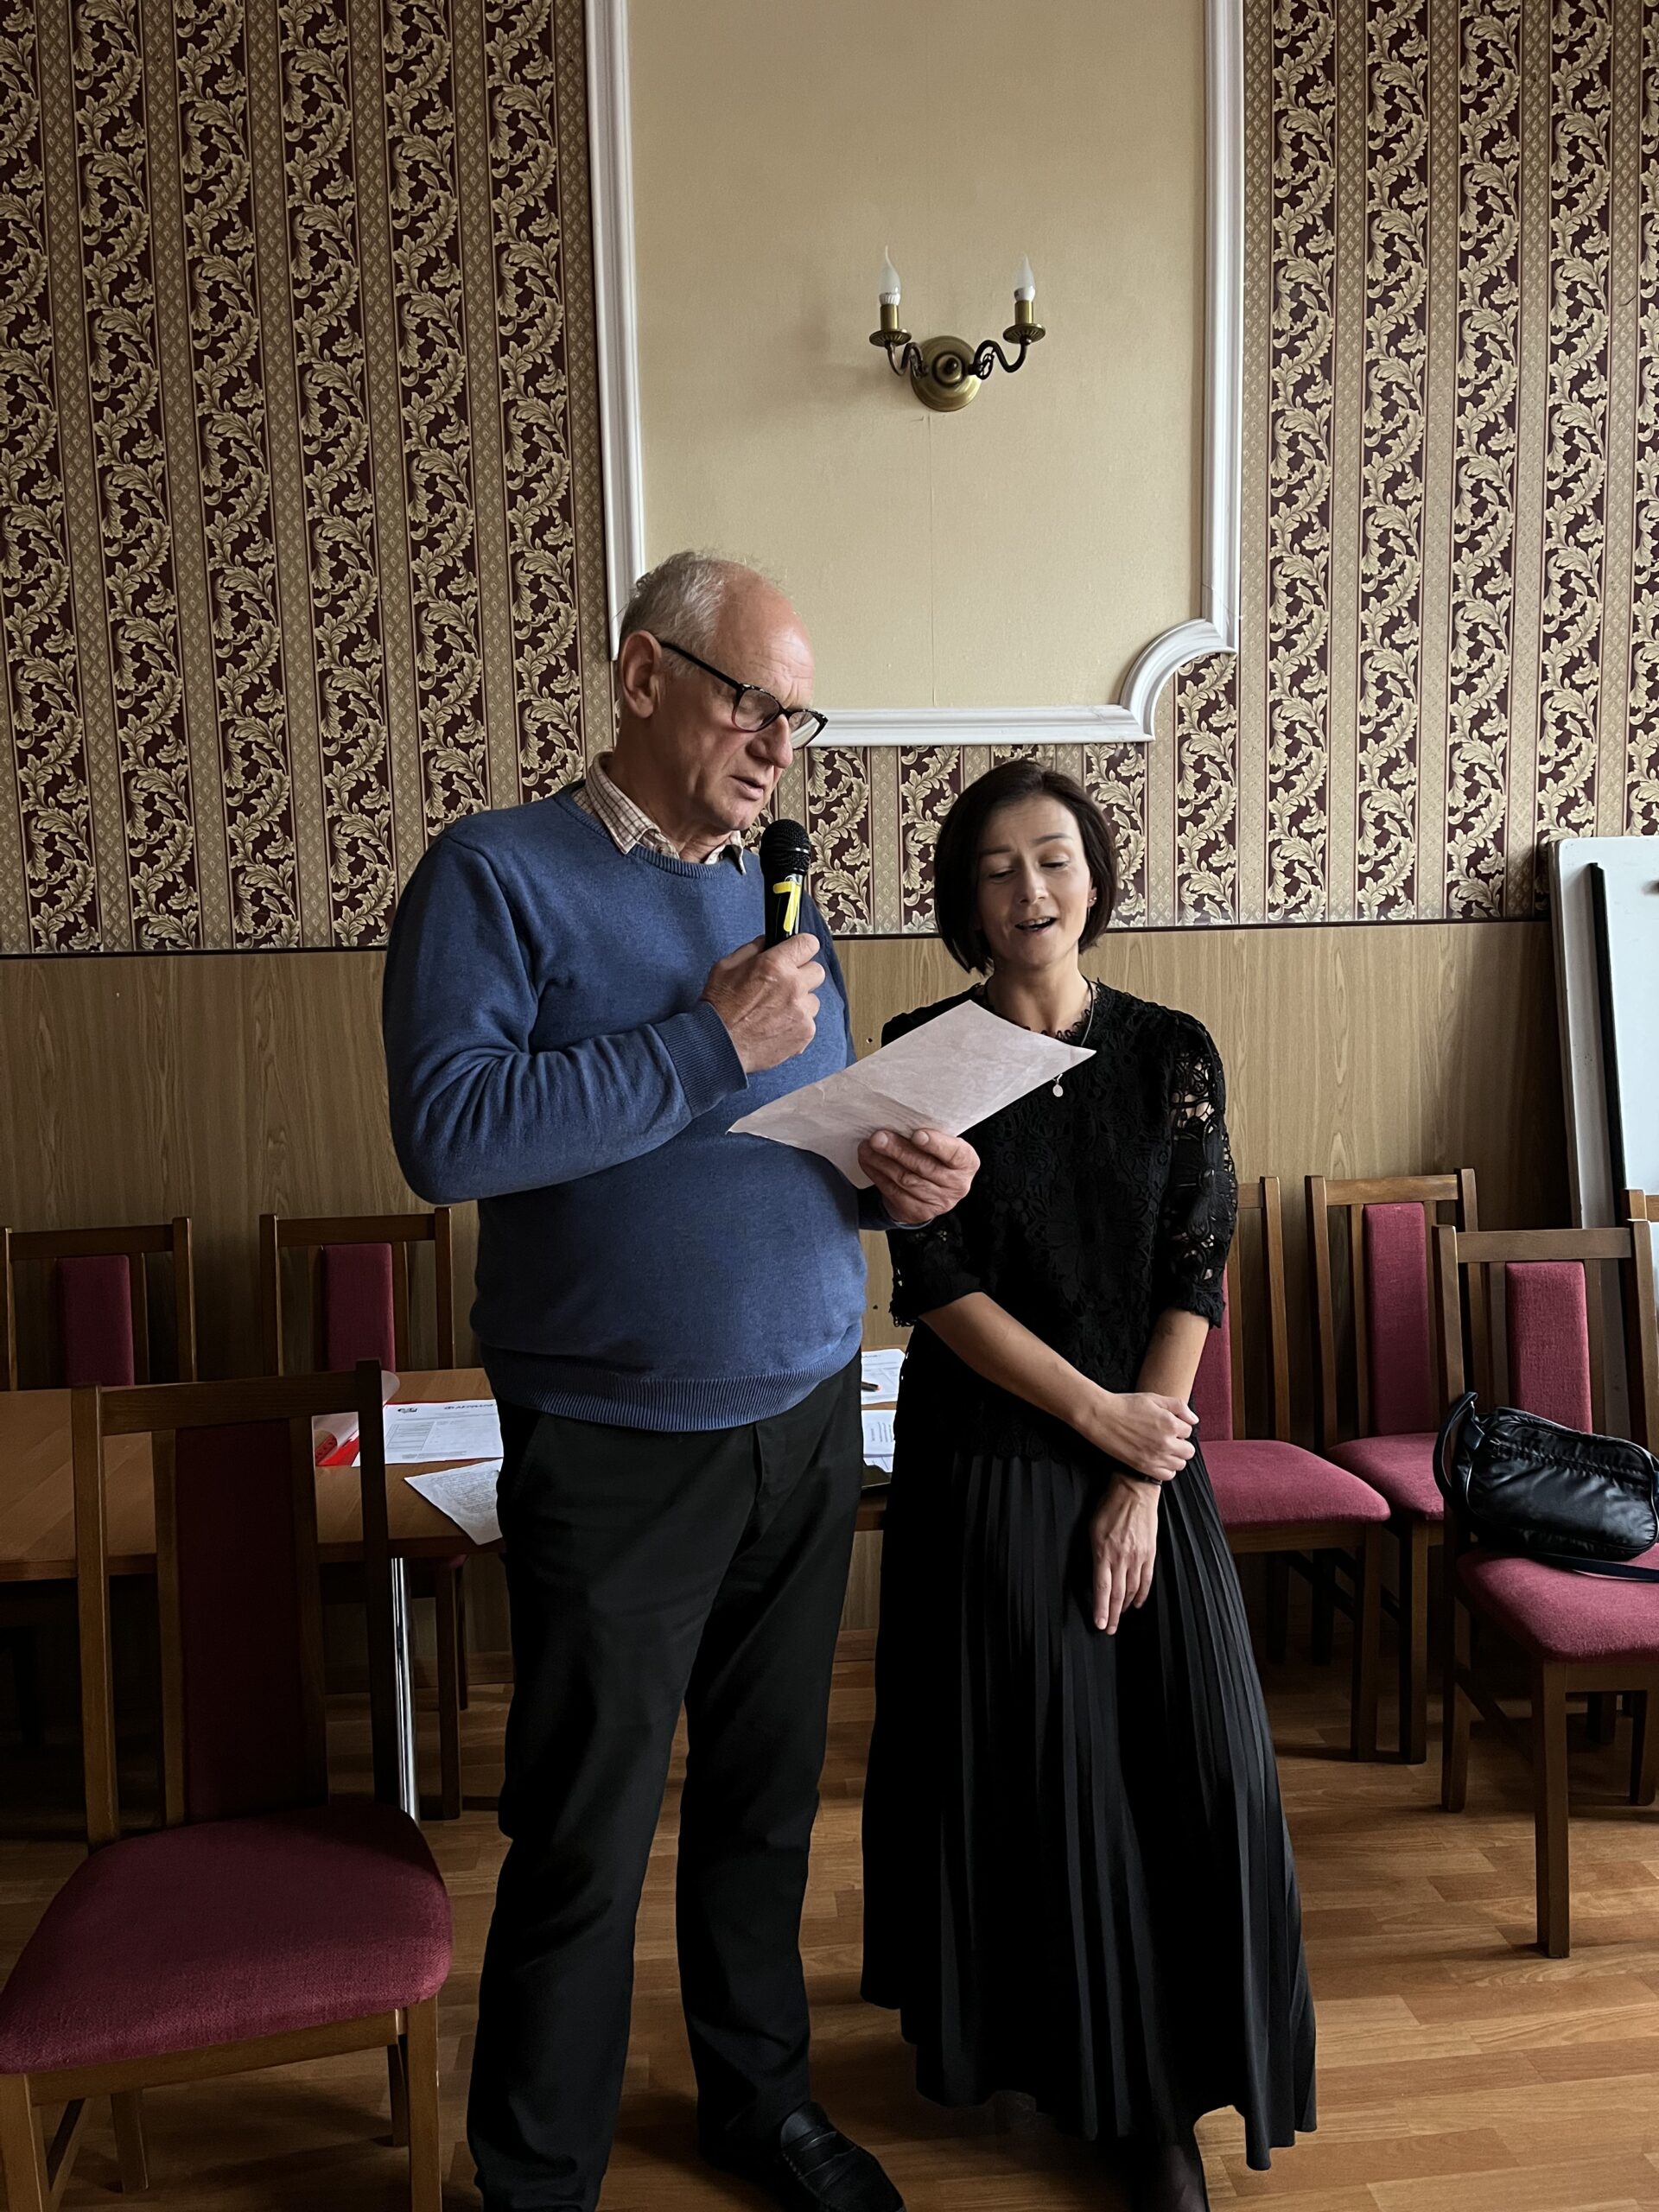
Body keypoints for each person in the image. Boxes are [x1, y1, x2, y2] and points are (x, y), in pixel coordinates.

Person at [382, 551, 977, 2212]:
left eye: (801, 718)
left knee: (766, 1807)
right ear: (645, 678)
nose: (781, 745)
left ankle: (757, 2105)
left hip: (807, 1417)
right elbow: (452, 1136)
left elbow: (803, 1136)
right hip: (616, 1442)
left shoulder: (782, 896)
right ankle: (538, 2178)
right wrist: (710, 1040)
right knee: (585, 1829)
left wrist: (898, 1179)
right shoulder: (494, 875)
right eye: (752, 703)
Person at [861, 761, 1315, 2212]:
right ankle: (1119, 2102)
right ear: (965, 899)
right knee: (1045, 1781)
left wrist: (1138, 1467)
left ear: (1096, 876)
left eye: (1053, 857)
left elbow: (1196, 1266)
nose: (1030, 889)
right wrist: (1097, 1419)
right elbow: (934, 1283)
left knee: (1211, 1770)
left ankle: (1179, 2071)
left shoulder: (1172, 1049)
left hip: (1149, 1458)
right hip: (989, 1457)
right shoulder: (922, 1053)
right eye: (997, 868)